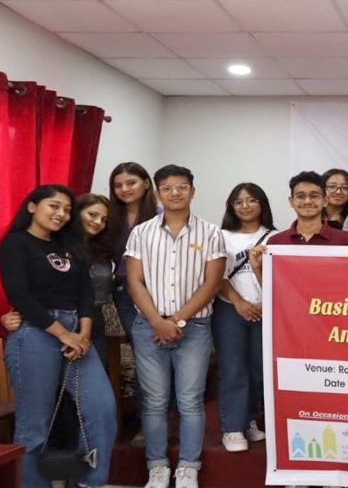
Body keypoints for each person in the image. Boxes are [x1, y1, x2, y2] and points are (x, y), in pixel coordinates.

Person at [0, 184, 117, 488]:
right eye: (54, 206)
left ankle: (91, 482)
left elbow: (86, 295)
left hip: (77, 333)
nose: (61, 214)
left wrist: (82, 336)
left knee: (102, 408)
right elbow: (21, 297)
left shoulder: (70, 245)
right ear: (32, 206)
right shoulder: (15, 244)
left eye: (66, 209)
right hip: (36, 335)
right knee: (34, 427)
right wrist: (64, 335)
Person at [124, 165, 226, 488]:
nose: (175, 193)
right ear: (157, 193)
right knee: (154, 401)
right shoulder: (141, 232)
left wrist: (177, 320)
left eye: (182, 187)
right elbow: (134, 281)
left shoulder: (211, 232)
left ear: (192, 191)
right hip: (149, 327)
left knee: (190, 401)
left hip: (194, 328)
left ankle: (188, 467)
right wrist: (158, 321)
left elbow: (212, 284)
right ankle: (157, 466)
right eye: (167, 188)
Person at [2, 193, 114, 366]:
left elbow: (88, 290)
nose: (98, 222)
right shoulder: (42, 243)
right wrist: (13, 313)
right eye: (92, 214)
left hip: (90, 318)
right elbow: (26, 288)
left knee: (94, 379)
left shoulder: (103, 249)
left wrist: (84, 333)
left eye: (104, 220)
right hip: (48, 321)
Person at [214, 183, 275, 453]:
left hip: (266, 309)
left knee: (259, 370)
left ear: (262, 204)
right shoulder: (220, 236)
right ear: (231, 207)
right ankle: (232, 428)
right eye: (238, 202)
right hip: (230, 309)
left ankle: (248, 418)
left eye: (251, 200)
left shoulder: (275, 237)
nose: (245, 206)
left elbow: (281, 275)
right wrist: (239, 302)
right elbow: (215, 276)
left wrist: (264, 302)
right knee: (233, 369)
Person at [103, 162, 158, 448]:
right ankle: (146, 423)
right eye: (118, 185)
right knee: (143, 355)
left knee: (159, 356)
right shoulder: (109, 218)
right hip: (125, 294)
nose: (125, 189)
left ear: (146, 184)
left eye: (131, 182)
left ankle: (160, 420)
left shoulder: (161, 215)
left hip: (160, 293)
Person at [269, 171, 348, 247]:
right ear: (291, 201)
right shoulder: (275, 242)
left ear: (325, 201)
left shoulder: (345, 240)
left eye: (314, 196)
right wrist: (261, 262)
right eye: (300, 196)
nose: (307, 201)